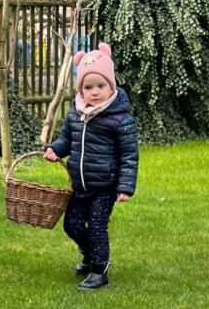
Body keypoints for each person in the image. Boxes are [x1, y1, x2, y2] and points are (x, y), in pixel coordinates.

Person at [44, 42, 138, 290]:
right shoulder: (76, 113)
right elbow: (67, 139)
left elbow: (129, 154)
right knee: (72, 225)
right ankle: (88, 254)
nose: (94, 92)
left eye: (100, 86)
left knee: (96, 227)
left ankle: (99, 271)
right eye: (88, 87)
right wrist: (55, 149)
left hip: (104, 186)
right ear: (81, 88)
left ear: (111, 85)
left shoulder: (119, 118)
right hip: (79, 185)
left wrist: (125, 186)